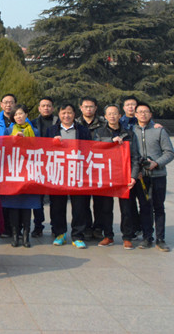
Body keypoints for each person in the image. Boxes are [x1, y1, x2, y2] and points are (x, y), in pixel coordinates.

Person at [46, 103, 91, 249]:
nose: (67, 115)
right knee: (57, 205)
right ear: (59, 114)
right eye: (64, 112)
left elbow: (91, 150)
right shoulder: (51, 130)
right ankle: (60, 233)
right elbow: (43, 150)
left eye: (70, 113)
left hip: (78, 174)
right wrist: (52, 144)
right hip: (58, 173)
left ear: (74, 114)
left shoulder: (83, 131)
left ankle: (78, 235)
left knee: (80, 206)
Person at [93, 104, 138, 248]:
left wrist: (134, 176)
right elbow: (95, 150)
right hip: (107, 175)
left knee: (127, 209)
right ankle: (108, 236)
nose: (112, 116)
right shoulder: (100, 133)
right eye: (109, 114)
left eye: (115, 113)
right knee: (106, 208)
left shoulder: (129, 134)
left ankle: (127, 236)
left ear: (120, 115)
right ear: (105, 117)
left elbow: (135, 156)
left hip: (124, 175)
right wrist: (110, 143)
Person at [133, 102, 174, 252]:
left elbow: (170, 153)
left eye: (146, 111)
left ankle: (160, 239)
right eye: (140, 112)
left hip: (158, 176)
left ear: (150, 114)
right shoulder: (131, 131)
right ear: (135, 114)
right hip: (141, 176)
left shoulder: (159, 131)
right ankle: (146, 238)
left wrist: (156, 163)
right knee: (144, 207)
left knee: (158, 207)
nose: (143, 114)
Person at [5, 104, 41, 248]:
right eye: (16, 115)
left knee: (27, 205)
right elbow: (4, 149)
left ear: (26, 115)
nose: (18, 117)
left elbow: (40, 149)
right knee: (13, 205)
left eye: (21, 113)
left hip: (29, 171)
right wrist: (13, 139)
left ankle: (26, 235)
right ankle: (15, 235)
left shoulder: (35, 131)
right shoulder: (8, 131)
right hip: (13, 172)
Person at [75, 97, 106, 240]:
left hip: (99, 166)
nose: (88, 109)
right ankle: (86, 227)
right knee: (83, 201)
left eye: (91, 106)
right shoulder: (74, 124)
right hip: (81, 167)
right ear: (80, 108)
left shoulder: (104, 124)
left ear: (96, 108)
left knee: (99, 201)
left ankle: (98, 227)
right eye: (86, 106)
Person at [30, 96, 58, 237]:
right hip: (38, 165)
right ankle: (38, 226)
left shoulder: (58, 123)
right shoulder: (33, 124)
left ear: (52, 108)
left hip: (55, 165)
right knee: (38, 199)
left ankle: (55, 226)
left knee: (55, 199)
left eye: (48, 105)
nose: (46, 108)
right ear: (39, 108)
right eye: (43, 105)